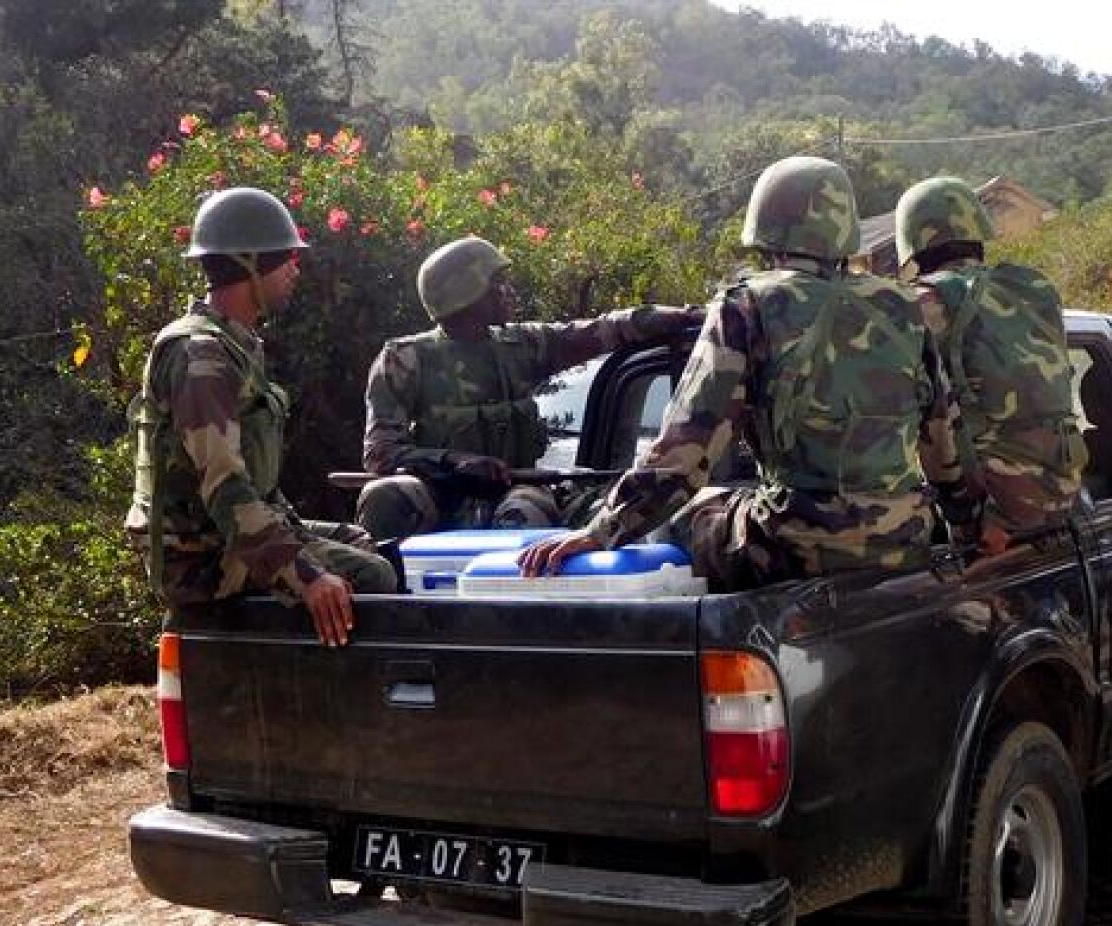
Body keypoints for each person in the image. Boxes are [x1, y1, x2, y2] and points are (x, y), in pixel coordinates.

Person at [519, 156, 968, 591]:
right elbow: (943, 446)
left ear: (768, 229)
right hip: (903, 539)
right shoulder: (904, 307)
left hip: (793, 543)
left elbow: (684, 456)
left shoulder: (747, 305)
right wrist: (965, 530)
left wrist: (600, 532)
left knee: (687, 514)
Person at [125, 187, 396, 648]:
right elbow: (224, 488)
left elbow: (253, 483)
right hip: (199, 560)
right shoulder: (202, 358)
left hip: (220, 538)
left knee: (361, 540)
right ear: (250, 264)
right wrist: (306, 577)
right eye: (285, 257)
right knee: (373, 576)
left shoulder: (232, 343)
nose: (295, 268)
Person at [355, 237, 702, 540]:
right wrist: (452, 462)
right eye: (497, 284)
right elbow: (380, 454)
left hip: (516, 488)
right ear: (467, 292)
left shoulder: (522, 344)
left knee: (525, 509)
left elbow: (599, 331)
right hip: (438, 491)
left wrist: (681, 318)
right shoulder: (405, 360)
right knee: (384, 495)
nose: (508, 292)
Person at [894, 175, 1085, 554]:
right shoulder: (1035, 289)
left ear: (913, 243)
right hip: (1060, 496)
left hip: (988, 515)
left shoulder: (922, 306)